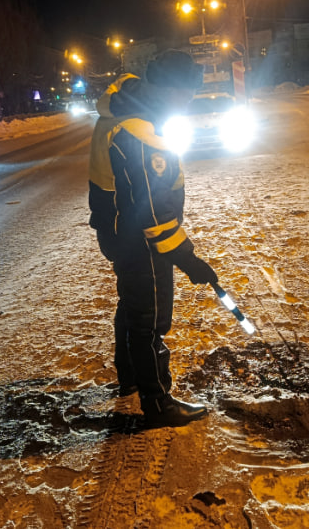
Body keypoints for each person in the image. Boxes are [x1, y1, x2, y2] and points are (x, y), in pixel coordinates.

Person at [88, 50, 217, 427]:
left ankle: (130, 377)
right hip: (140, 240)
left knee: (132, 307)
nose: (189, 100)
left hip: (117, 229)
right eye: (186, 92)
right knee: (150, 319)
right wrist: (188, 258)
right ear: (168, 89)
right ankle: (157, 402)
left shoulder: (124, 106)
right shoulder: (140, 131)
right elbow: (153, 213)